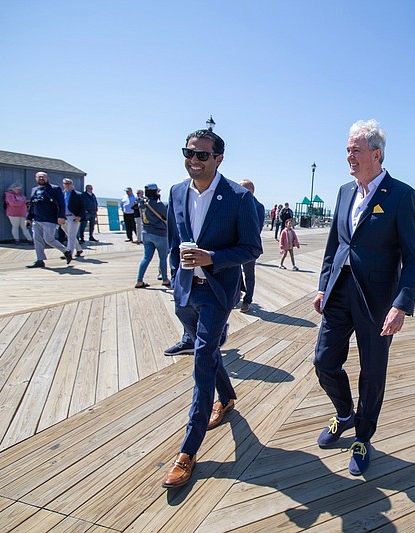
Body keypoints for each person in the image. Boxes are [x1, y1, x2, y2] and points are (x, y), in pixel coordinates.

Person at [311, 119, 415, 475]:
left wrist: (402, 304)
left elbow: (412, 257)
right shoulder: (345, 191)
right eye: (347, 150)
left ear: (376, 154)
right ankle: (345, 413)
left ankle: (363, 436)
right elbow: (335, 244)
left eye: (355, 150)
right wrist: (322, 285)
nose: (349, 157)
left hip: (378, 300)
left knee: (372, 373)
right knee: (323, 361)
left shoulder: (402, 195)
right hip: (340, 292)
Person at [161, 128, 262, 489]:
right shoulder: (176, 192)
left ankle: (188, 451)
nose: (193, 160)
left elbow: (252, 249)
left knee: (203, 358)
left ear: (218, 158)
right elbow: (175, 239)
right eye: (188, 152)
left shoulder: (238, 197)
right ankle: (229, 397)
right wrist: (176, 275)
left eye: (202, 154)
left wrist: (213, 258)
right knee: (207, 351)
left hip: (218, 291)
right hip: (185, 289)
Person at [25, 172, 72, 268]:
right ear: (36, 178)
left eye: (43, 177)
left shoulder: (54, 189)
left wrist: (61, 216)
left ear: (47, 178)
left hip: (49, 219)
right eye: (39, 177)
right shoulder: (34, 190)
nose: (41, 178)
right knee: (37, 239)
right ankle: (40, 260)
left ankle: (66, 251)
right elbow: (32, 204)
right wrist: (28, 218)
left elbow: (61, 204)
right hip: (37, 219)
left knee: (49, 239)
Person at [134, 183, 170, 289]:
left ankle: (139, 280)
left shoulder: (142, 203)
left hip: (146, 232)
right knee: (163, 258)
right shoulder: (158, 205)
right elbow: (166, 215)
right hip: (159, 234)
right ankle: (164, 279)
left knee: (146, 258)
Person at [239, 179, 265, 312]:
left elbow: (258, 228)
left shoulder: (258, 206)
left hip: (249, 246)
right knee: (234, 272)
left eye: (241, 188)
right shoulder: (234, 202)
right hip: (233, 246)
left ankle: (247, 300)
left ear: (250, 191)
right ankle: (237, 293)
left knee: (249, 274)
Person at [61, 179, 85, 258]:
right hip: (63, 217)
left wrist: (79, 216)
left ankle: (69, 253)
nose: (67, 185)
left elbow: (83, 206)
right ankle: (78, 249)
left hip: (73, 217)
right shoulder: (61, 194)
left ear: (72, 184)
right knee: (69, 234)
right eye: (65, 183)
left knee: (71, 235)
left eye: (69, 183)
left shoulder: (78, 194)